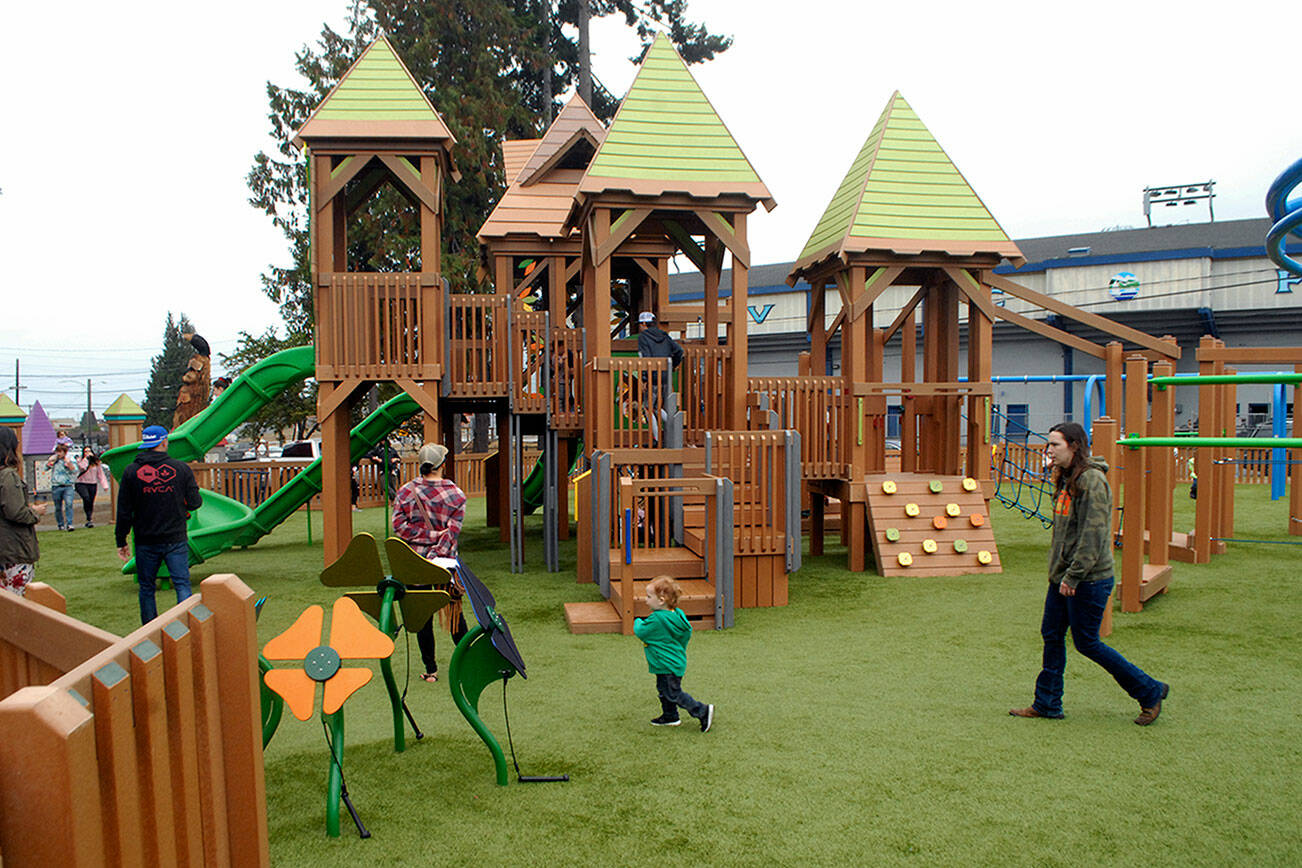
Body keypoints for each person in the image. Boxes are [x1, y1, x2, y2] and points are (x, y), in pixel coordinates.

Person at [1010, 421, 1169, 726]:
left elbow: (1093, 536)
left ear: (1074, 446)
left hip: (1088, 580)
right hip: (1061, 577)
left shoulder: (1093, 481)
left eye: (1055, 445)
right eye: (1049, 445)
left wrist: (1073, 576)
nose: (1049, 450)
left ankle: (1149, 691)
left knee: (1087, 643)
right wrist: (1059, 573)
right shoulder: (1067, 478)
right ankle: (1047, 703)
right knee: (1052, 635)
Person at [392, 443, 467, 683]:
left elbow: (399, 528)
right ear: (442, 465)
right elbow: (451, 536)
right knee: (455, 615)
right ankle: (466, 663)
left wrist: (425, 542)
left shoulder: (406, 491)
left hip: (414, 564)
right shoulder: (456, 495)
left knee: (423, 617)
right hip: (445, 563)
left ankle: (431, 670)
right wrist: (437, 546)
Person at [116, 425, 203, 624]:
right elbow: (195, 501)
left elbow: (124, 510)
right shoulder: (181, 469)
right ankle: (186, 626)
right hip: (175, 536)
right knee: (182, 584)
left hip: (145, 538)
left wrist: (121, 539)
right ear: (164, 442)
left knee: (146, 587)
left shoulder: (131, 472)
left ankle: (149, 631)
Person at [633, 576, 714, 732]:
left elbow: (641, 632)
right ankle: (670, 716)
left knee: (673, 693)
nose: (646, 600)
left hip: (665, 663)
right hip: (674, 661)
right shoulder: (677, 614)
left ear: (661, 600)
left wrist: (637, 620)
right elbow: (685, 634)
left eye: (649, 597)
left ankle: (702, 711)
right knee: (664, 690)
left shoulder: (657, 619)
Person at [0, 428, 47, 595]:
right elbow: (15, 512)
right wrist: (34, 512)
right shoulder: (8, 476)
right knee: (16, 603)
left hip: (5, 551)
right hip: (14, 550)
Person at [636, 311, 683, 442]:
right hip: (666, 376)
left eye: (640, 324)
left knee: (648, 407)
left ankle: (657, 439)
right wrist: (673, 365)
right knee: (658, 407)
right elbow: (679, 351)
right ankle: (674, 428)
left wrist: (644, 378)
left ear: (644, 324)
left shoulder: (643, 337)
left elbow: (645, 357)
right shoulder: (664, 335)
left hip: (653, 376)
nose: (639, 327)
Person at [45, 443, 78, 531]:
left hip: (68, 486)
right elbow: (46, 468)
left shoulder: (70, 460)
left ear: (65, 452)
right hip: (56, 485)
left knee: (69, 504)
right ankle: (60, 524)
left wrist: (69, 464)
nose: (59, 454)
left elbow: (75, 471)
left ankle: (69, 524)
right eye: (57, 452)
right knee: (58, 506)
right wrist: (50, 462)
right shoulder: (54, 460)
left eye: (60, 452)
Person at [75, 447, 110, 527]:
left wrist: (105, 485)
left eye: (89, 451)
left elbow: (100, 474)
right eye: (86, 451)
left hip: (92, 484)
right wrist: (86, 459)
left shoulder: (96, 462)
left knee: (90, 501)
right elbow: (82, 468)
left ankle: (89, 518)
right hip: (81, 483)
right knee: (86, 497)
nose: (88, 453)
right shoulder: (81, 460)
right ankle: (88, 517)